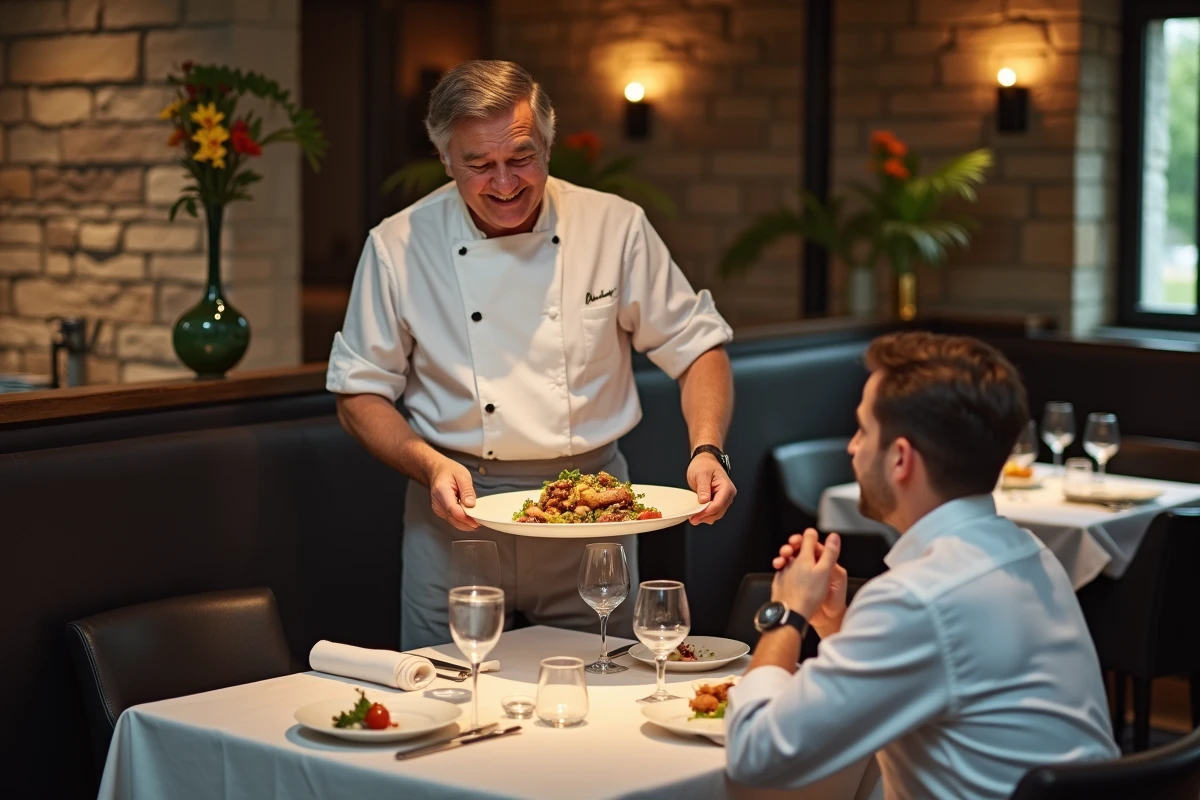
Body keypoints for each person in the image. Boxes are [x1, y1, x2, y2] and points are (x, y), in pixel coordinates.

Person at [327, 60, 736, 650]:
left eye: (521, 157)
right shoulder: (398, 246)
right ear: (445, 161)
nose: (505, 182)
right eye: (478, 165)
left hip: (595, 518)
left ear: (547, 143)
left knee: (607, 698)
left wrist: (706, 448)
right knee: (447, 699)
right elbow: (359, 392)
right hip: (456, 520)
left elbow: (697, 346)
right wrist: (430, 466)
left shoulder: (613, 227)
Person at [725, 332, 1118, 798]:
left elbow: (755, 753)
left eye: (863, 430)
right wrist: (837, 626)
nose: (852, 448)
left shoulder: (918, 598)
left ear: (901, 459)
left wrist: (787, 615)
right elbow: (938, 675)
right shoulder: (1031, 553)